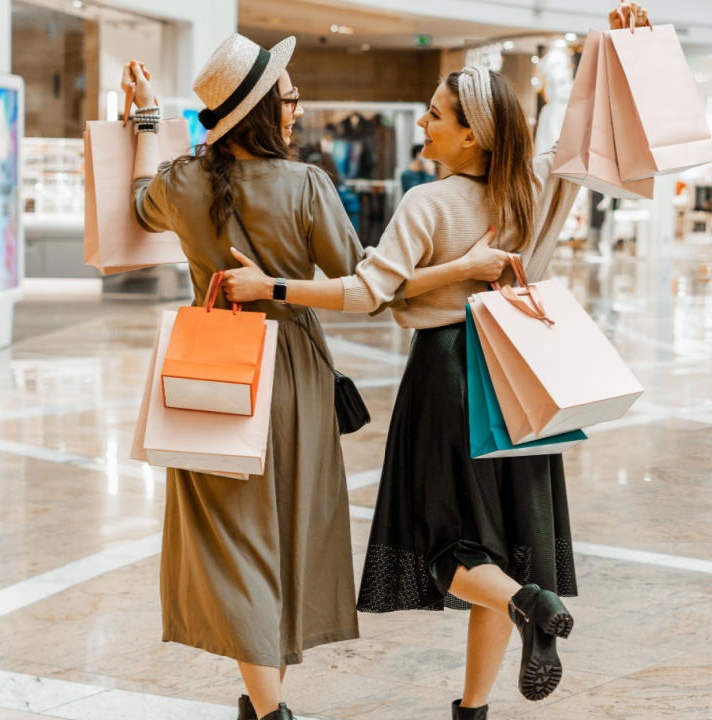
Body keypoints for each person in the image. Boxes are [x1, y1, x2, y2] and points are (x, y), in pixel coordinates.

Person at [123, 34, 509, 720]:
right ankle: (268, 704)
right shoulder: (305, 186)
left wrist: (147, 119)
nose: (296, 107)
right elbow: (364, 282)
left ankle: (269, 712)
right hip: (293, 374)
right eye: (289, 96)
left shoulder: (181, 182)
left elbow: (137, 199)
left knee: (230, 542)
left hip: (210, 376)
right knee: (286, 529)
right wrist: (458, 269)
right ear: (265, 110)